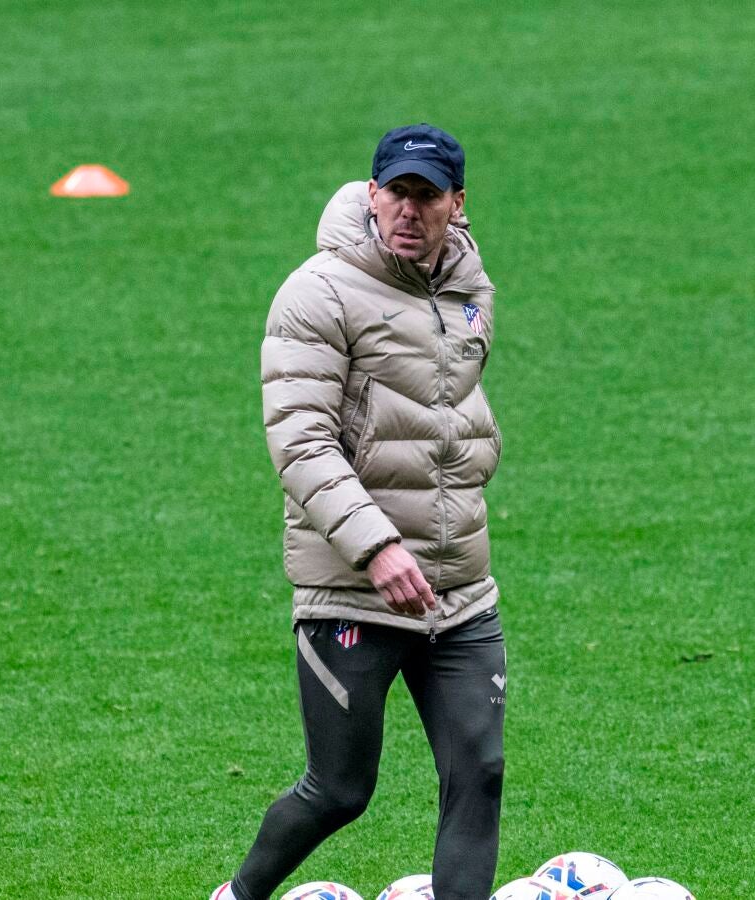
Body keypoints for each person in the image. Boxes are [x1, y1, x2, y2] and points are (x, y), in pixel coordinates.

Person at [212, 124, 506, 900]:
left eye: (426, 195)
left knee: (479, 773)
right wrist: (378, 547)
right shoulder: (319, 293)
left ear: (457, 204)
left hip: (459, 585)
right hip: (352, 587)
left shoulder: (469, 288)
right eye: (396, 192)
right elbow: (300, 440)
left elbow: (447, 411)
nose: (409, 210)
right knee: (340, 789)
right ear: (372, 195)